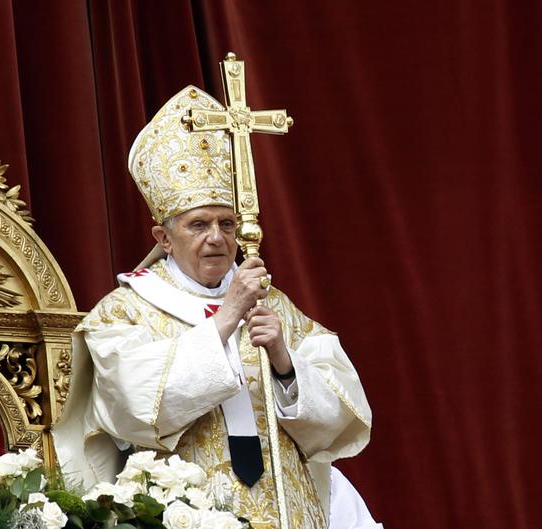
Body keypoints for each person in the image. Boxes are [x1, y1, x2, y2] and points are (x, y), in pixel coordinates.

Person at [54, 86, 375, 528]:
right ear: (163, 238)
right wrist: (226, 318)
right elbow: (132, 410)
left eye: (227, 223)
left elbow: (342, 419)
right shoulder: (123, 312)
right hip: (181, 511)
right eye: (199, 224)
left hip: (288, 509)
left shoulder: (273, 304)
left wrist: (284, 361)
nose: (218, 238)